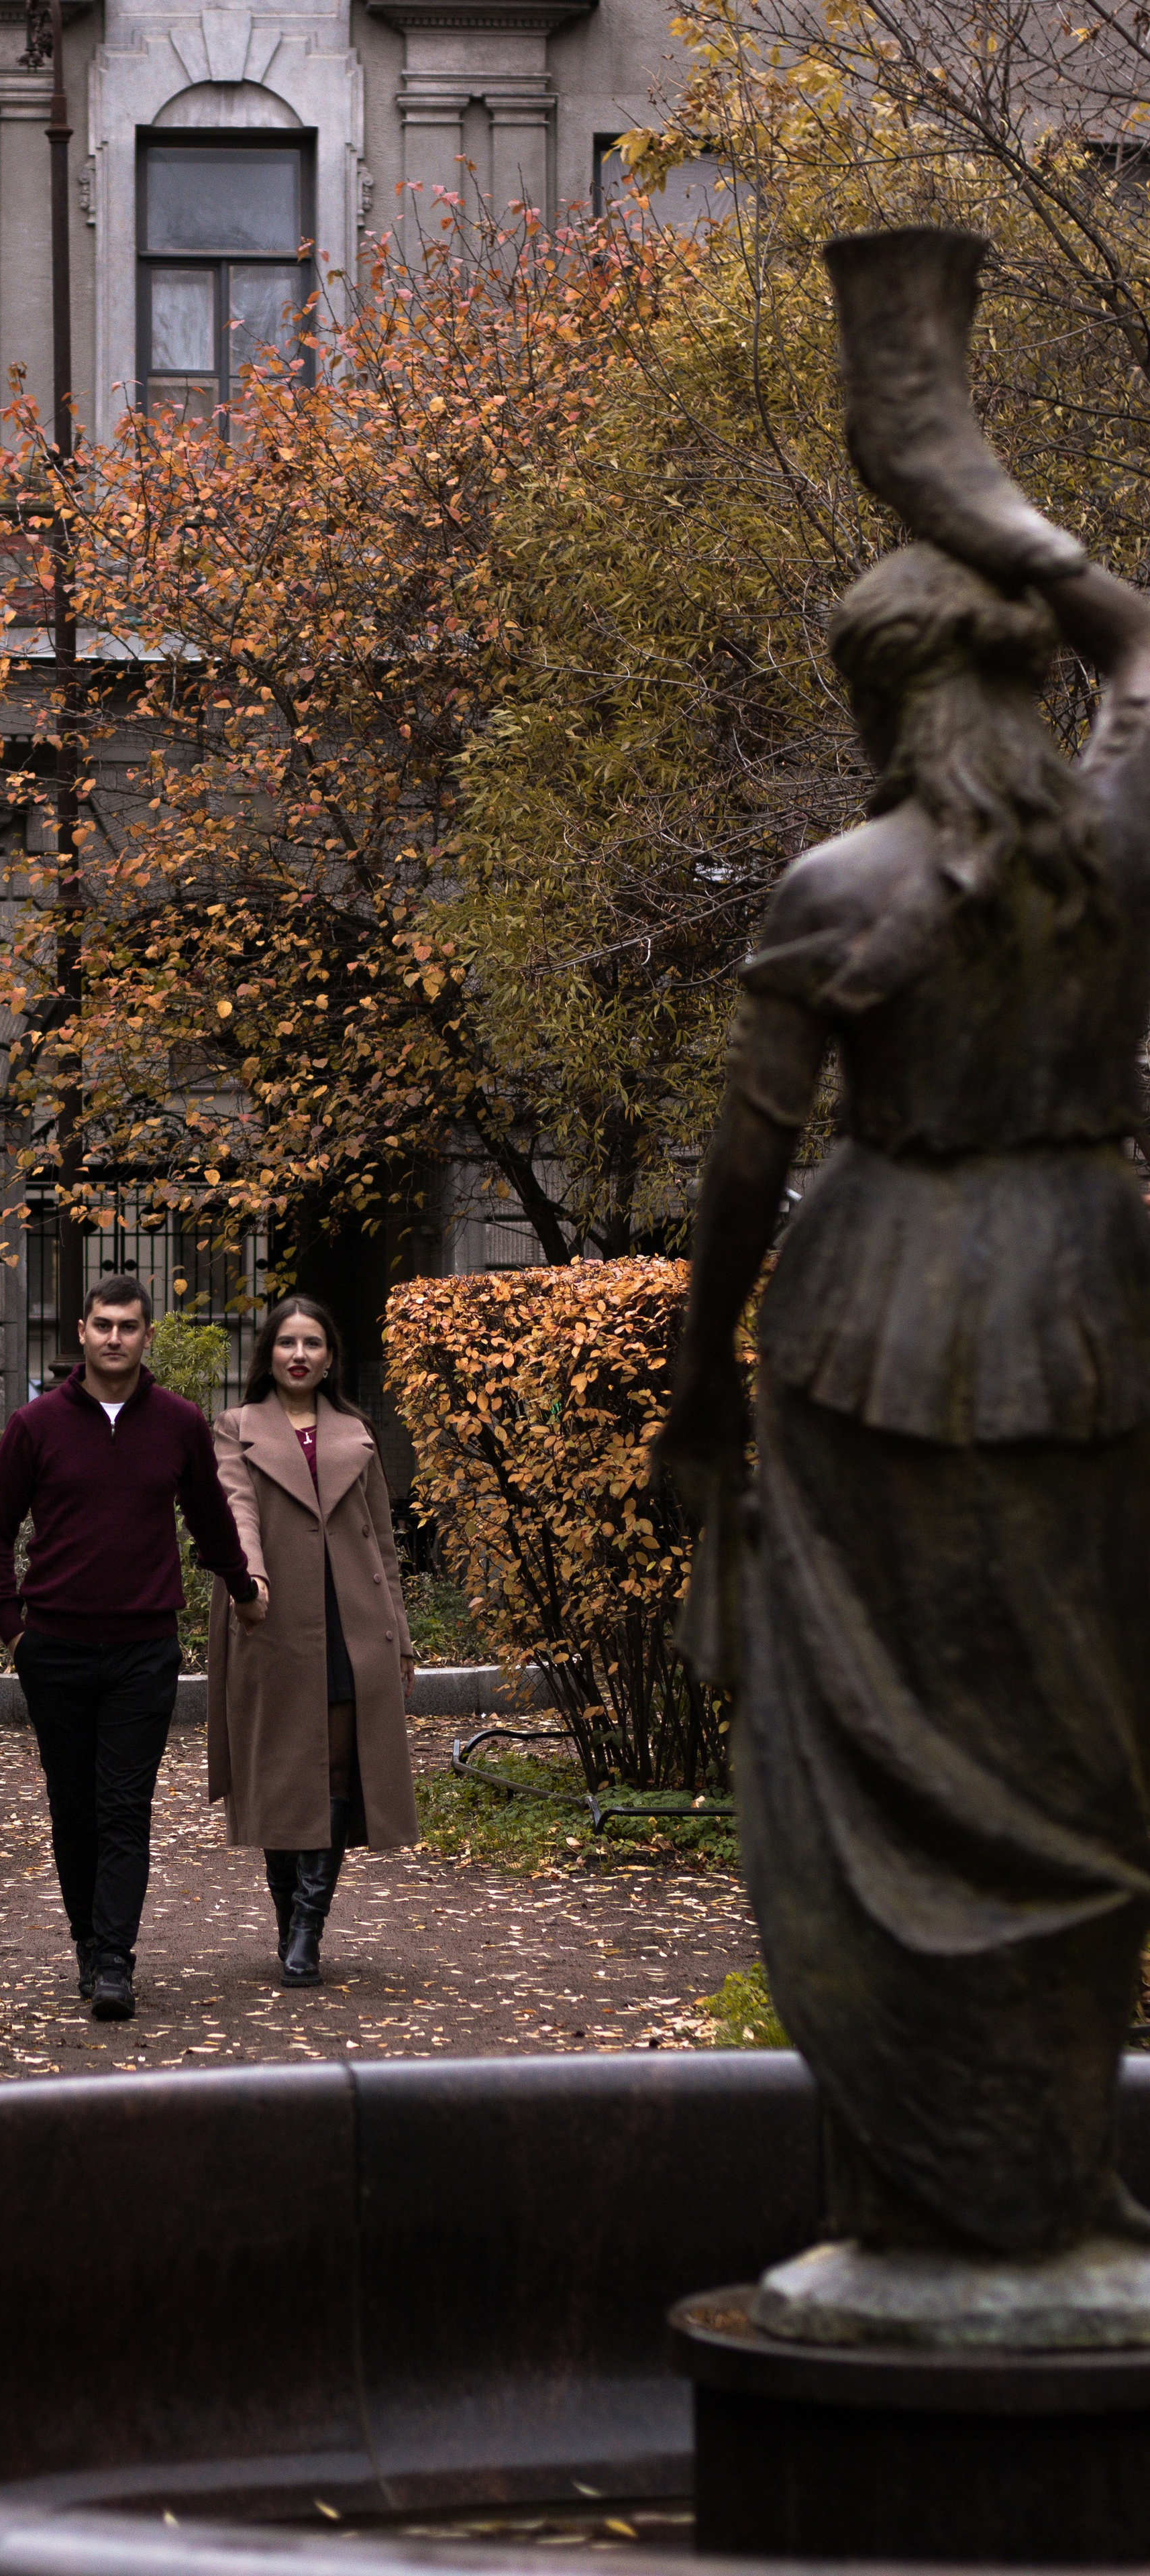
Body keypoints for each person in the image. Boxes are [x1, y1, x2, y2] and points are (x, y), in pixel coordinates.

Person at [658, 514, 1150, 2249]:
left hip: (880, 1321)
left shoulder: (843, 888)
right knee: (1079, 1740)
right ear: (1031, 681)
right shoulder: (1112, 846)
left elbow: (739, 1175)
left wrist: (698, 1379)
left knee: (885, 1734)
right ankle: (1051, 2173)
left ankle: (926, 2175)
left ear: (881, 705)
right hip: (1089, 1307)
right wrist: (990, 506)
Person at [0, 1274, 264, 2023]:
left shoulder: (178, 1423)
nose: (114, 1337)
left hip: (143, 1649)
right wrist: (15, 1631)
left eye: (128, 1326)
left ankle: (114, 1962)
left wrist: (242, 1587)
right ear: (80, 1330)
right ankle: (84, 1939)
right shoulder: (34, 1425)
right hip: (56, 1648)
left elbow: (209, 1517)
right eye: (102, 1324)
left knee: (124, 1807)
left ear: (146, 1335)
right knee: (73, 1809)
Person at [206, 1296, 419, 1986]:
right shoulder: (235, 1428)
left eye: (314, 1344)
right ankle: (285, 1914)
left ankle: (307, 1923)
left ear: (330, 1358)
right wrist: (251, 1584)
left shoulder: (356, 1433)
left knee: (332, 1773)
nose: (299, 1354)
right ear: (268, 1352)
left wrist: (403, 1640)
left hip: (349, 1621)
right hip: (266, 1620)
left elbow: (384, 1546)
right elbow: (234, 1511)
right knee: (276, 1775)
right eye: (287, 1342)